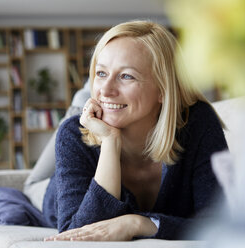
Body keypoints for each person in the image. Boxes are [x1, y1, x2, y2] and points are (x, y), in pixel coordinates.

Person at [43, 20, 227, 241]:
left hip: (130, 111)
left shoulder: (198, 123)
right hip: (49, 194)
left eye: (126, 76)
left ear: (163, 89)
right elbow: (77, 235)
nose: (107, 90)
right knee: (31, 186)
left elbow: (220, 225)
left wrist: (138, 223)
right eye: (101, 74)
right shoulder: (73, 135)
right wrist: (110, 142)